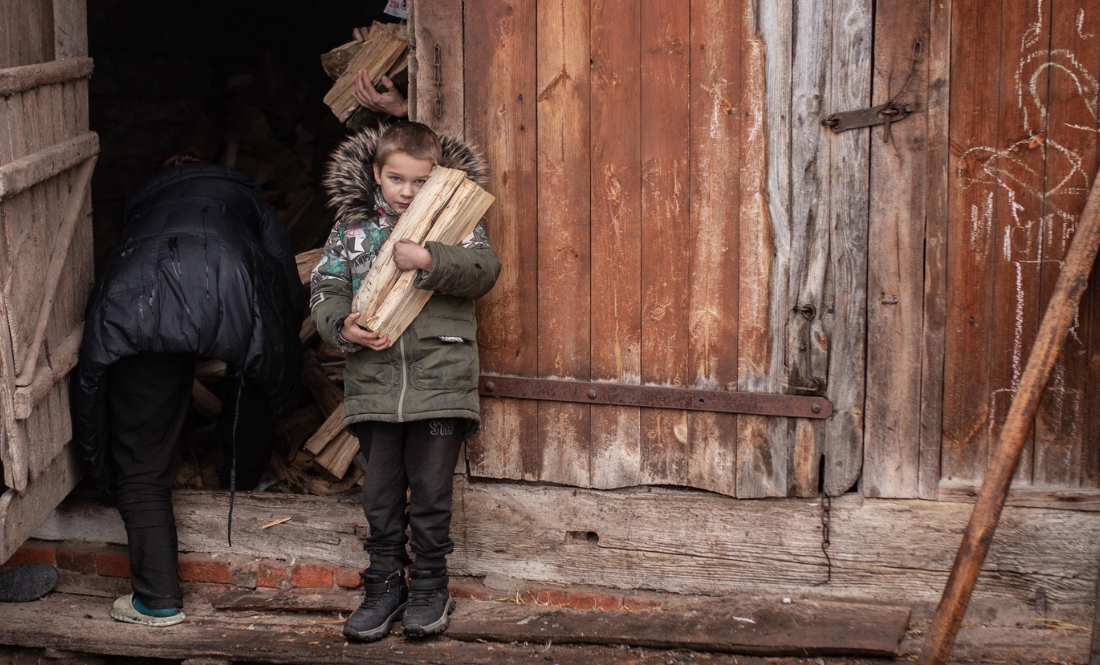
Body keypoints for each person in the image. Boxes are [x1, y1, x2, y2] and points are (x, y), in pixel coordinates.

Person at [71, 155, 304, 626]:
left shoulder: (144, 205)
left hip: (136, 307)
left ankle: (157, 601)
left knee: (140, 464)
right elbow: (286, 285)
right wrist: (280, 352)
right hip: (229, 291)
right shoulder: (244, 197)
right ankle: (242, 478)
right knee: (251, 374)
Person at [312, 122, 499, 641]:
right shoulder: (350, 230)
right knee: (381, 493)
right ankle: (384, 585)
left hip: (441, 381)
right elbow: (325, 288)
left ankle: (430, 586)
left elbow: (485, 269)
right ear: (377, 173)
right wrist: (341, 326)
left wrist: (430, 258)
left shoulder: (455, 222)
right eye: (397, 180)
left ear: (436, 177)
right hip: (374, 385)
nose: (407, 192)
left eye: (420, 181)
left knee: (434, 490)